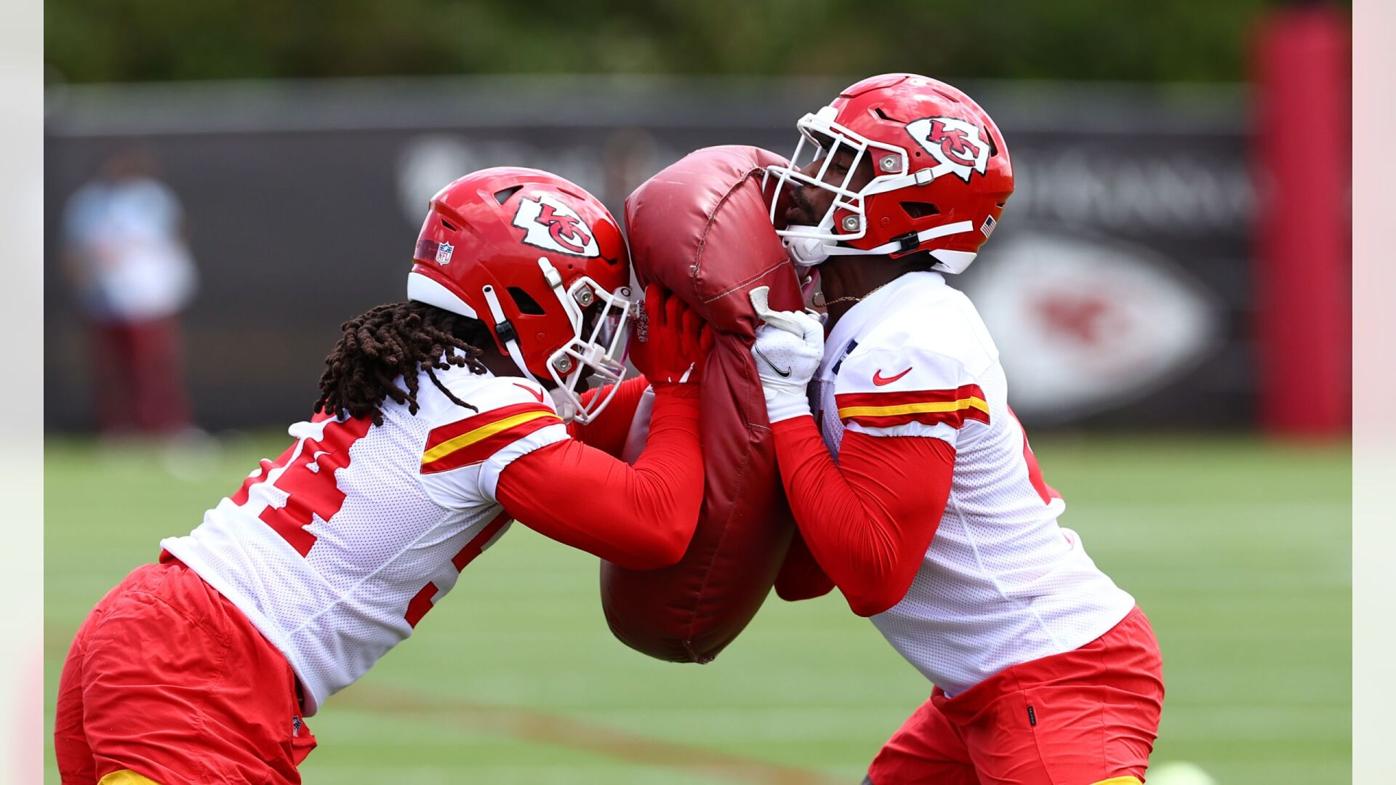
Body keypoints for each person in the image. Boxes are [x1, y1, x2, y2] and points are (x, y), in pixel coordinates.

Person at [54, 167, 711, 785]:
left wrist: (718, 383)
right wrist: (680, 382)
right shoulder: (484, 411)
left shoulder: (422, 374)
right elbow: (656, 524)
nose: (604, 338)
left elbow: (610, 421)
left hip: (157, 633)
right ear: (521, 297)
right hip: (202, 673)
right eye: (592, 310)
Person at [751, 74, 1164, 785]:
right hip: (987, 687)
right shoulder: (862, 321)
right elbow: (806, 574)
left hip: (1055, 678)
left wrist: (785, 404)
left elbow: (873, 573)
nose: (805, 181)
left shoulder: (909, 341)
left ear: (908, 206)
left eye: (838, 165)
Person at [60, 148, 199, 438]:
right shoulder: (89, 204)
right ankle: (121, 429)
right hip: (105, 301)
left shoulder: (152, 199)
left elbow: (170, 241)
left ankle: (165, 427)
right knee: (112, 371)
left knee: (155, 369)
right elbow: (76, 252)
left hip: (149, 301)